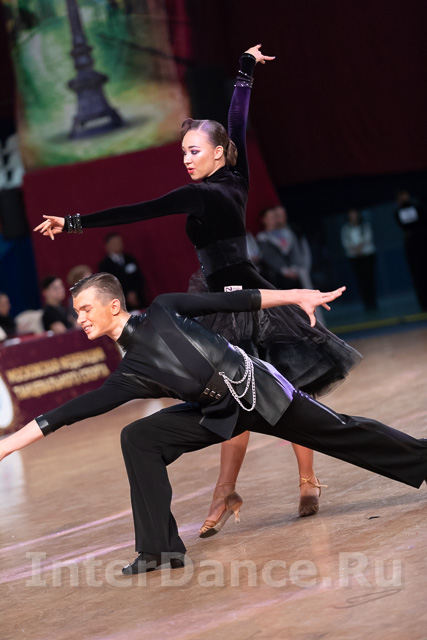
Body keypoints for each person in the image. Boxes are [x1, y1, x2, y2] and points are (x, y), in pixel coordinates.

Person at [34, 45, 361, 531]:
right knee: (240, 396)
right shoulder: (235, 176)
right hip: (214, 298)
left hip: (244, 297)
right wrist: (245, 69)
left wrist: (73, 221)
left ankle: (305, 480)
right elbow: (237, 122)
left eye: (193, 151)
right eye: (183, 152)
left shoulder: (202, 192)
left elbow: (139, 210)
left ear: (217, 152)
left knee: (288, 390)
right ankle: (226, 493)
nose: (186, 160)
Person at [1, 274, 426, 576]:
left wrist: (299, 296)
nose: (80, 318)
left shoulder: (164, 309)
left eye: (85, 309)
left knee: (342, 431)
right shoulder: (130, 373)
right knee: (139, 437)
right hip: (218, 413)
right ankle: (159, 550)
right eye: (76, 311)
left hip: (259, 392)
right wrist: (7, 445)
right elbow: (70, 411)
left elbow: (236, 301)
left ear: (113, 305)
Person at [257, 205, 313, 290]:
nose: (273, 219)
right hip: (277, 277)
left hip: (296, 273)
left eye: (275, 216)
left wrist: (297, 268)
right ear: (264, 220)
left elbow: (296, 251)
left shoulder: (288, 232)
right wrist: (283, 270)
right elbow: (269, 256)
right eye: (270, 217)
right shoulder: (263, 237)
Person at [394, 190, 427, 311]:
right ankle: (424, 303)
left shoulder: (417, 207)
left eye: (405, 195)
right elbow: (403, 224)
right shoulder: (398, 212)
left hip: (423, 242)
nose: (404, 197)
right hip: (412, 246)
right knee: (418, 275)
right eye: (401, 196)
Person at [98, 232, 147, 311]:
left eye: (119, 242)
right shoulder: (104, 265)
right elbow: (108, 285)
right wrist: (125, 296)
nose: (118, 245)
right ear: (107, 246)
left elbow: (138, 277)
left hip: (138, 299)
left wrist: (134, 292)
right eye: (114, 243)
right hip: (121, 304)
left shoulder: (130, 258)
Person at [340, 209, 377, 311]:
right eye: (351, 214)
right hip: (354, 257)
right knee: (361, 280)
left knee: (370, 279)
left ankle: (373, 302)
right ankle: (366, 303)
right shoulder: (346, 229)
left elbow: (368, 238)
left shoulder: (365, 226)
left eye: (354, 213)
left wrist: (361, 247)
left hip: (367, 255)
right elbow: (345, 242)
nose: (353, 216)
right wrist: (354, 249)